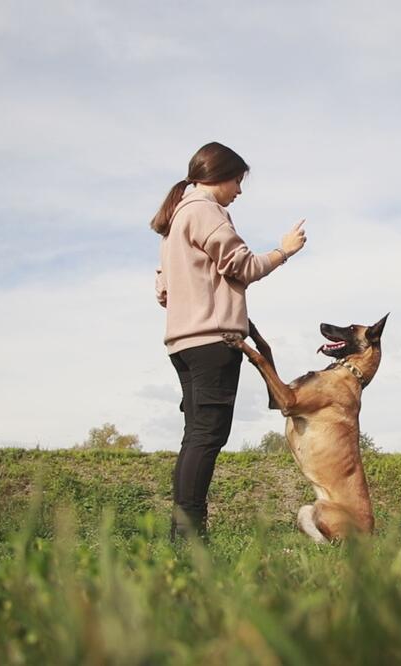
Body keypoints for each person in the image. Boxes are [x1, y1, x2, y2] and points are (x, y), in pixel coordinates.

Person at [151, 141, 306, 539]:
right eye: (237, 180)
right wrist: (283, 251)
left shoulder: (175, 220)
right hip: (212, 342)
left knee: (196, 437)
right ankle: (189, 536)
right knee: (208, 437)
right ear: (218, 177)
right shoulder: (206, 212)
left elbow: (162, 289)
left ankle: (182, 533)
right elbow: (244, 265)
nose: (239, 191)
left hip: (182, 343)